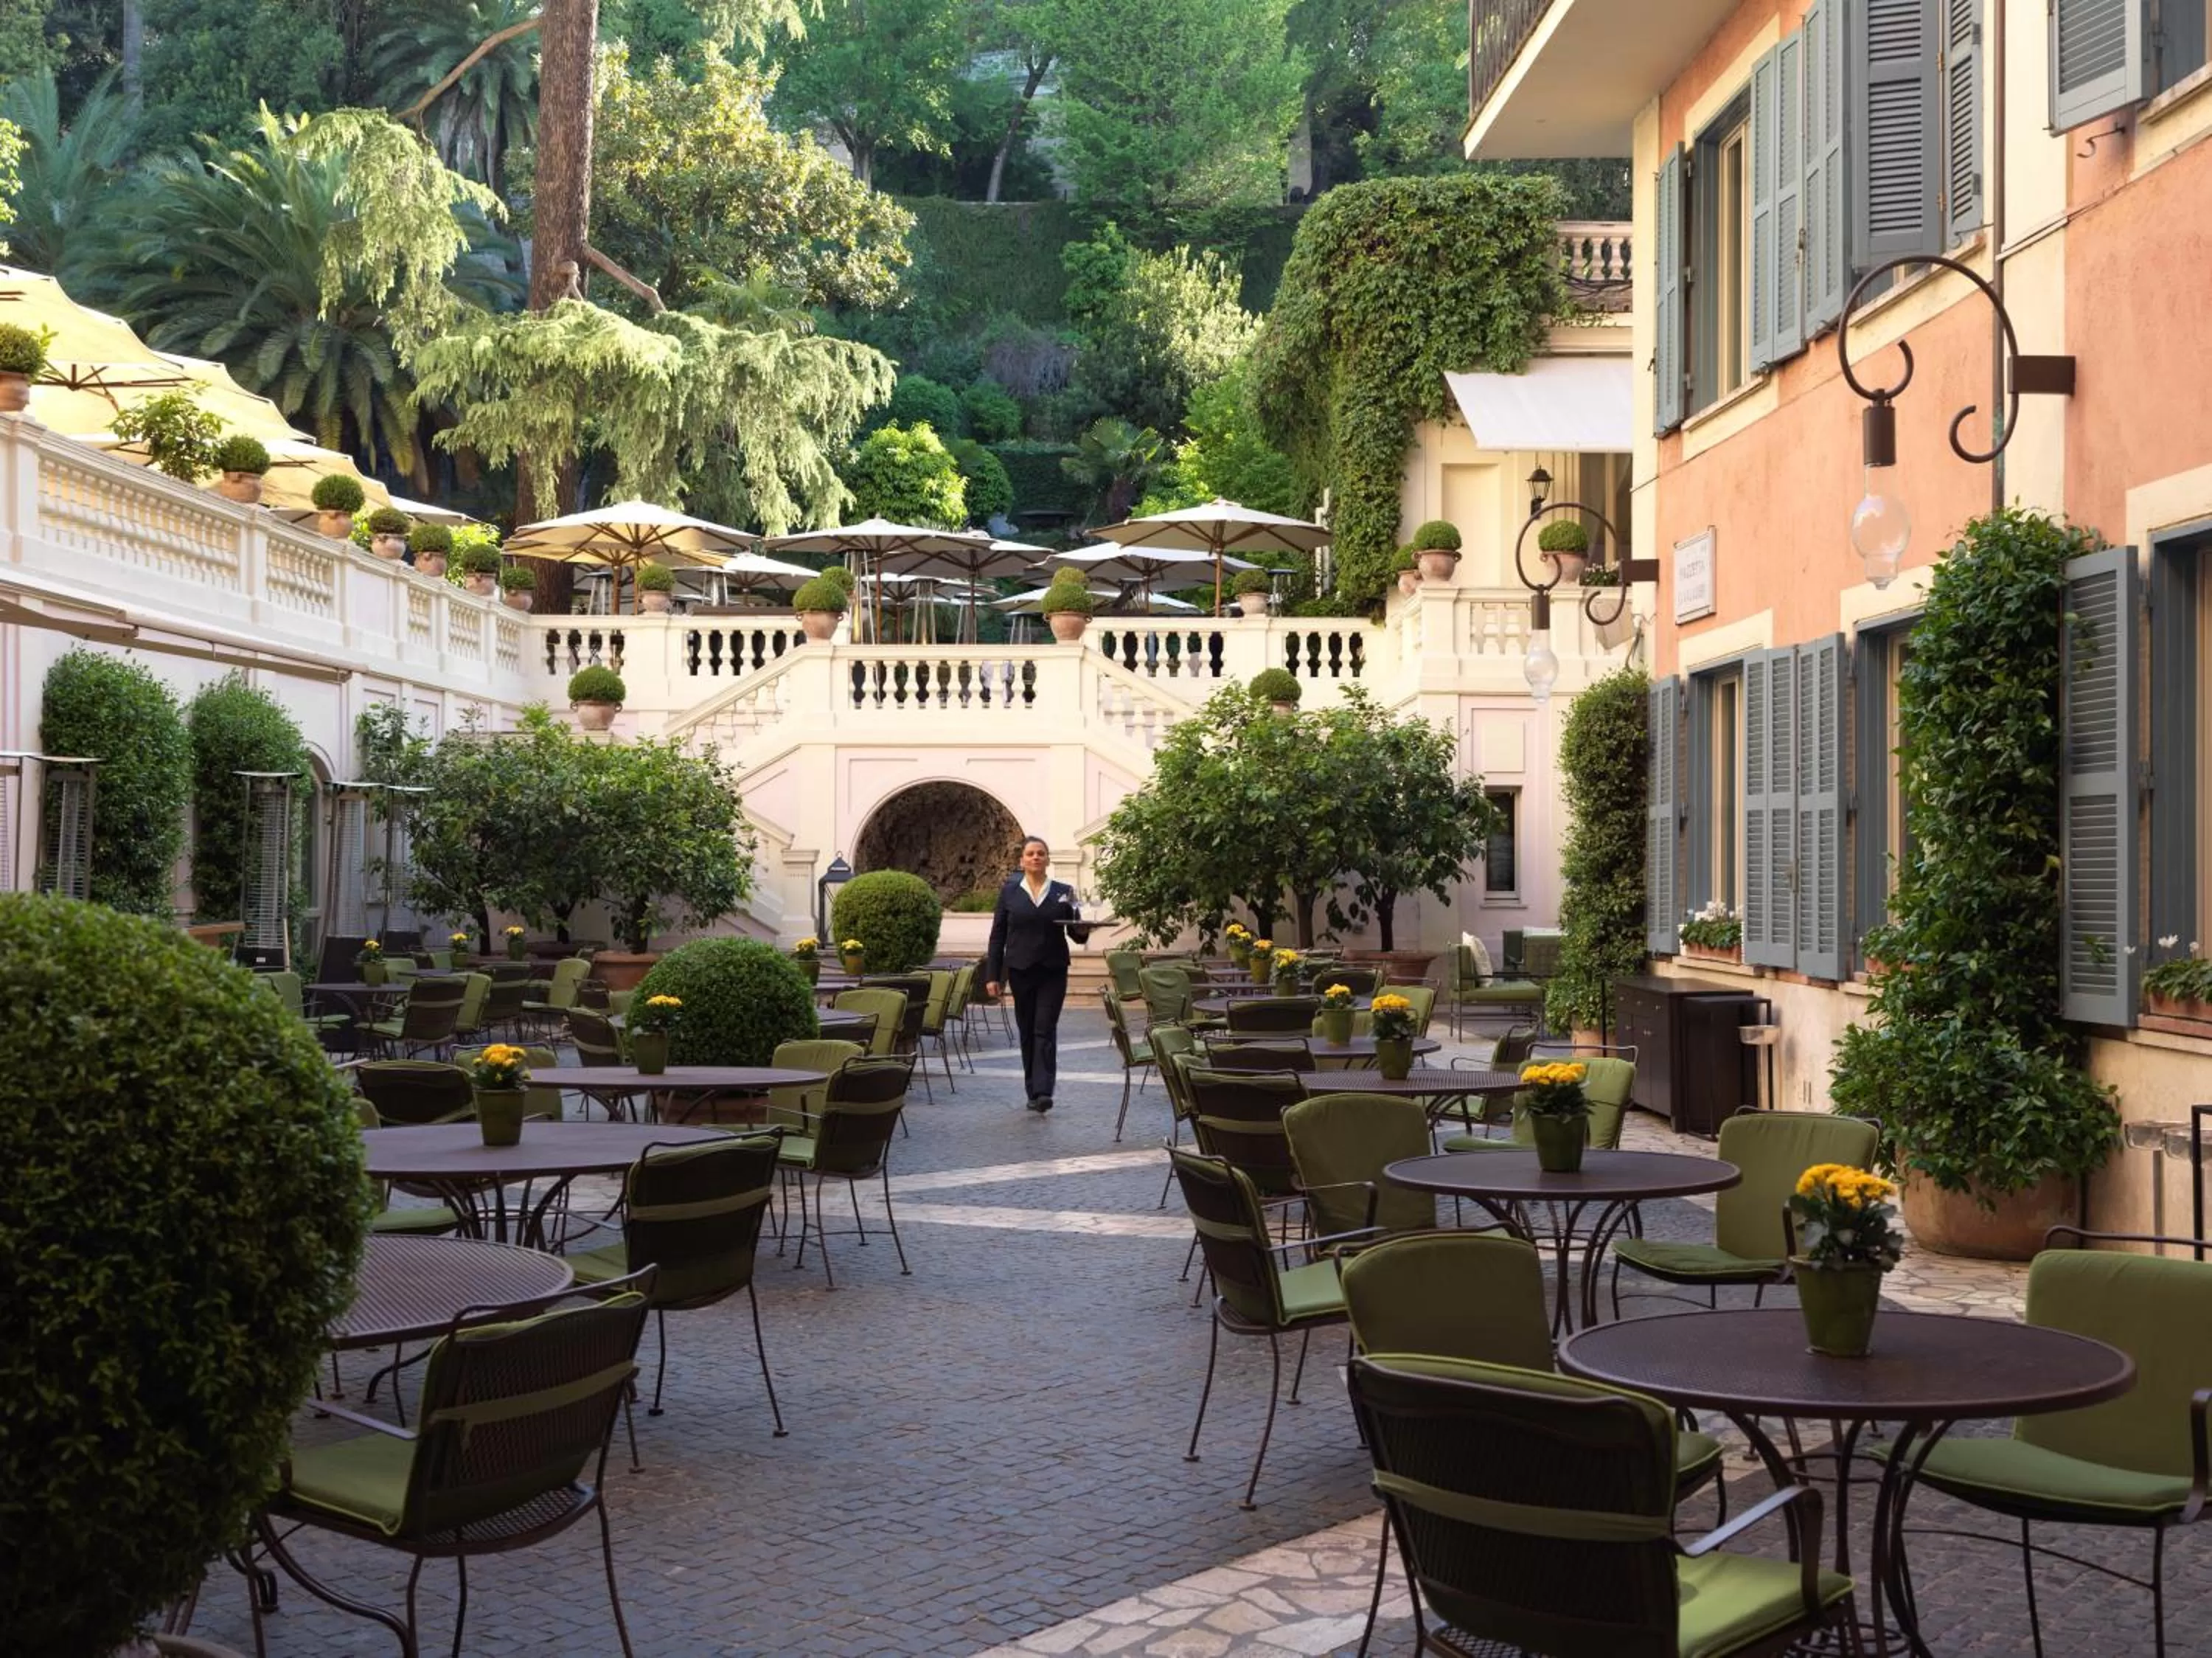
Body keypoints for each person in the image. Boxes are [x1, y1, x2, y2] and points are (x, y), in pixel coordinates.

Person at [984, 836, 1092, 1112]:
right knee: (1027, 1029)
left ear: (1047, 859)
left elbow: (1076, 932)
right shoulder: (1009, 892)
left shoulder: (1064, 891)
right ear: (1022, 860)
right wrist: (993, 975)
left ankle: (1043, 1091)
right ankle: (1032, 1090)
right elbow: (998, 936)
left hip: (1053, 970)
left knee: (1044, 1027)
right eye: (1031, 854)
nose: (1036, 857)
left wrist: (1083, 930)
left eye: (1041, 853)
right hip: (1020, 970)